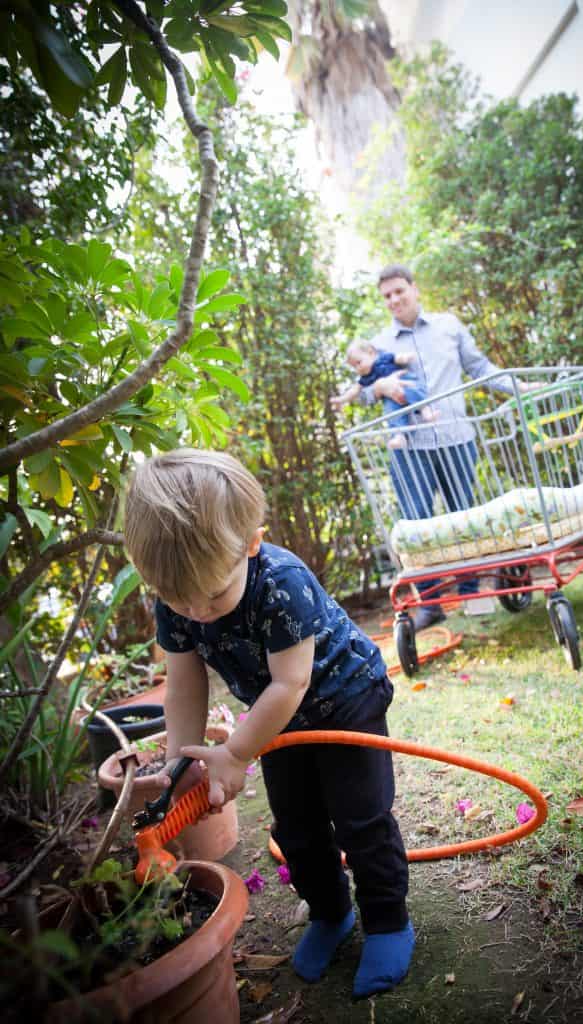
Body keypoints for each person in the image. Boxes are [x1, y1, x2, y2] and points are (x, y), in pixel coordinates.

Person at [123, 449, 414, 999]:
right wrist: (180, 760)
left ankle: (388, 919)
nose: (196, 611)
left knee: (360, 820)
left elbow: (291, 683)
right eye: (176, 598)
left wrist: (234, 753)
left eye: (212, 594)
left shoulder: (280, 582)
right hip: (274, 721)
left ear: (251, 543)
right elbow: (184, 680)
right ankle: (331, 913)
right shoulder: (180, 600)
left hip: (342, 700)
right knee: (296, 826)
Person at [359, 264, 533, 631]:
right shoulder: (379, 345)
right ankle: (430, 603)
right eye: (387, 296)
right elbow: (361, 392)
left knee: (463, 518)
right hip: (408, 449)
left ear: (414, 289)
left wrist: (520, 387)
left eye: (399, 292)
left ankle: (473, 594)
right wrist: (379, 389)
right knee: (416, 526)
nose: (394, 300)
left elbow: (480, 367)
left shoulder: (449, 326)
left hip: (456, 438)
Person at [331, 338, 436, 447]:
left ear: (371, 353)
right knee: (391, 412)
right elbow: (354, 391)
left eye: (359, 362)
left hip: (404, 381)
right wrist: (341, 399)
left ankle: (425, 410)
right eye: (354, 367)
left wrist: (405, 357)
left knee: (414, 389)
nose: (358, 368)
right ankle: (399, 436)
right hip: (390, 398)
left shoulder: (383, 358)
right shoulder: (365, 378)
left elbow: (396, 358)